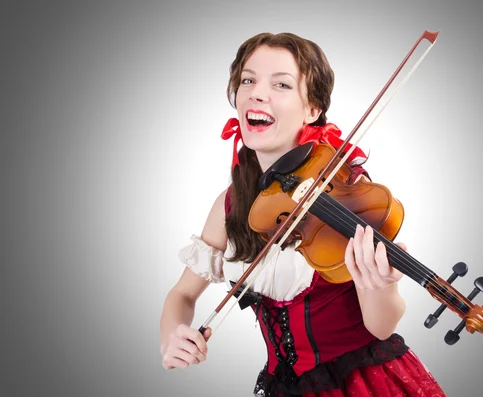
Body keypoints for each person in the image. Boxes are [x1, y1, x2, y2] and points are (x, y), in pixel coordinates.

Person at [160, 32, 447, 397]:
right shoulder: (231, 204)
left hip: (364, 384)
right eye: (248, 80)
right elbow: (181, 295)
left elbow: (381, 327)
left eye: (281, 84)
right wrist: (172, 337)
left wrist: (381, 284)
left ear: (312, 109)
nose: (256, 93)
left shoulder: (346, 191)